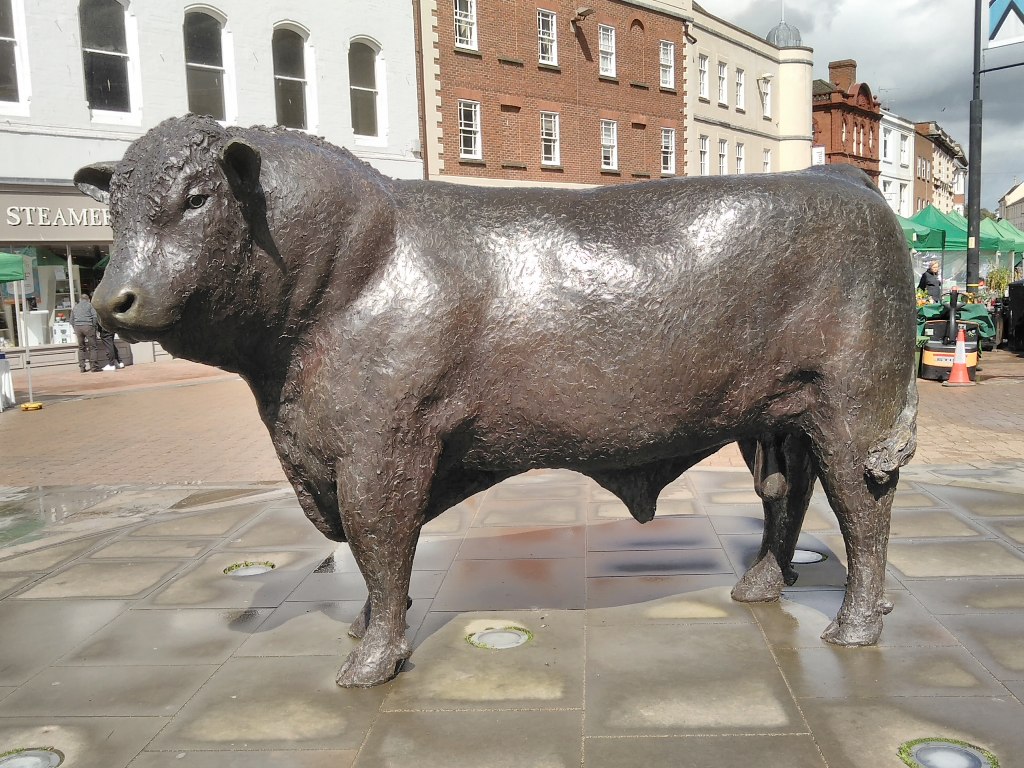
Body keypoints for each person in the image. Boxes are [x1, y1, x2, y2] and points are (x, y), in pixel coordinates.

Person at [70, 292, 101, 373]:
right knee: (93, 347)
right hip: (88, 326)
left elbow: (71, 320)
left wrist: (75, 328)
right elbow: (95, 317)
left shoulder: (75, 307)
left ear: (80, 299)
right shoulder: (90, 305)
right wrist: (94, 327)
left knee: (81, 348)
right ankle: (94, 367)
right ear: (88, 299)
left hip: (78, 327)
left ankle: (82, 367)